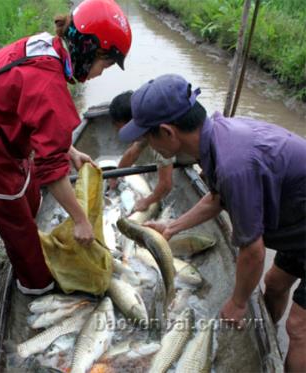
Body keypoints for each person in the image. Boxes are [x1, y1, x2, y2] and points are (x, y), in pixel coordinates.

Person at [118, 74, 306, 372]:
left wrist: (239, 301)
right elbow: (218, 199)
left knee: (300, 329)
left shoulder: (234, 165)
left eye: (147, 136)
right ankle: (265, 338)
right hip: (297, 222)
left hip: (299, 225)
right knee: (274, 283)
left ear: (167, 132)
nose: (145, 143)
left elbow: (253, 251)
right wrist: (171, 227)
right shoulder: (217, 136)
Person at [0, 0, 132, 295]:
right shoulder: (47, 82)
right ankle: (36, 286)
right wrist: (81, 220)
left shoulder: (48, 46)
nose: (100, 73)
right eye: (105, 64)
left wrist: (69, 151)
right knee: (19, 231)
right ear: (88, 49)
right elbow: (52, 171)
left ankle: (30, 228)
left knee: (31, 197)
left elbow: (33, 114)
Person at [108, 90, 174, 211]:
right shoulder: (145, 127)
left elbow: (166, 185)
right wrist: (115, 176)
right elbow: (133, 153)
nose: (120, 133)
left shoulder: (159, 138)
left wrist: (147, 201)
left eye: (121, 129)